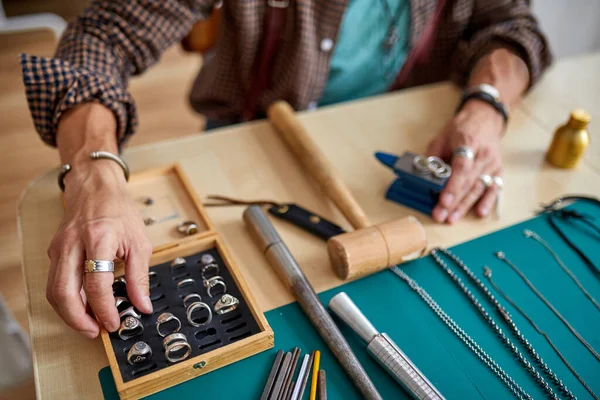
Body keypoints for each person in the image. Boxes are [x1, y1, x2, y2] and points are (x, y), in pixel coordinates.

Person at [20, 0, 551, 338]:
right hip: (249, 141)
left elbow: (511, 26)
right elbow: (99, 39)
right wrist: (96, 173)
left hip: (392, 136)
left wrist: (486, 103)